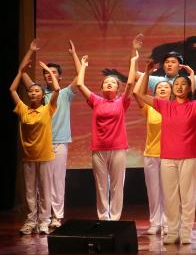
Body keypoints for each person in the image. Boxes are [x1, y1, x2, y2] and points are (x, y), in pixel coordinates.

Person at [133, 35, 196, 246]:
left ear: (189, 88)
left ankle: (186, 232)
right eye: (177, 84)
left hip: (189, 157)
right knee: (171, 197)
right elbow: (139, 93)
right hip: (167, 158)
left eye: (184, 84)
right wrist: (146, 72)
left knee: (188, 197)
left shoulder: (195, 105)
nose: (180, 86)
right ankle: (172, 232)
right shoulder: (164, 105)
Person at [75, 35, 140, 221]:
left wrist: (133, 60)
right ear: (102, 88)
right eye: (106, 82)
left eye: (113, 82)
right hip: (99, 149)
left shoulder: (122, 102)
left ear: (117, 88)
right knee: (101, 185)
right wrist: (83, 66)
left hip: (118, 148)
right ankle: (104, 217)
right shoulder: (96, 101)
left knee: (117, 185)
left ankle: (115, 218)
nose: (109, 83)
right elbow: (79, 84)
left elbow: (130, 83)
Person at [19, 39, 80, 231]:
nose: (49, 74)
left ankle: (56, 216)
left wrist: (74, 54)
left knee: (57, 181)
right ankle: (37, 218)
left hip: (59, 142)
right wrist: (30, 50)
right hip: (39, 145)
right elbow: (22, 72)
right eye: (46, 72)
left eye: (53, 72)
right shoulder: (38, 92)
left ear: (59, 77)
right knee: (38, 184)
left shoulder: (64, 93)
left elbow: (80, 77)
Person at [11, 46, 61, 235]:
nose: (33, 93)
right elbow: (12, 89)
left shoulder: (48, 109)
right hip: (28, 157)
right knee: (30, 192)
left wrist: (48, 71)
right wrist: (20, 73)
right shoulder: (23, 109)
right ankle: (31, 220)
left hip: (45, 156)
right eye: (31, 91)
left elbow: (57, 89)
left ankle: (44, 222)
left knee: (45, 190)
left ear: (42, 95)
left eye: (37, 91)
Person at [132, 74, 172, 235]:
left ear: (171, 92)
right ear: (154, 93)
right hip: (151, 154)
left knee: (168, 192)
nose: (162, 89)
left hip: (170, 155)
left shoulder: (176, 107)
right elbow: (136, 93)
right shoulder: (149, 108)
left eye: (166, 87)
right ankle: (155, 223)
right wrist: (146, 74)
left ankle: (168, 223)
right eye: (159, 87)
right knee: (153, 191)